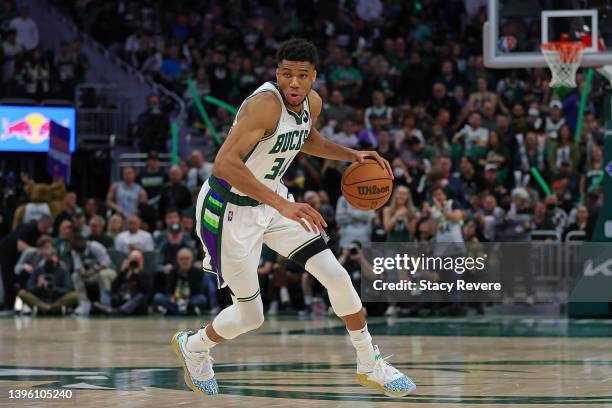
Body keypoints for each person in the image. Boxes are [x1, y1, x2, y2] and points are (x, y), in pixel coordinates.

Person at [171, 39, 415, 398]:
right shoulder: (264, 106)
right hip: (229, 208)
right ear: (277, 73)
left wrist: (352, 156)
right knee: (251, 317)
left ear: (314, 76)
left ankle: (369, 363)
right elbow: (223, 165)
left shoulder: (311, 103)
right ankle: (194, 346)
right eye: (287, 75)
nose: (295, 83)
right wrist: (284, 206)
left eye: (302, 76)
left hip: (272, 199)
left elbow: (305, 138)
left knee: (338, 276)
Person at [0, 215, 52, 310]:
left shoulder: (41, 233)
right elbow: (20, 245)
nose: (46, 230)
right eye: (44, 227)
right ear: (40, 223)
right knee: (8, 278)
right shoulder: (28, 228)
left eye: (47, 228)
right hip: (6, 252)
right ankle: (6, 306)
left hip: (18, 255)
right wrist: (37, 251)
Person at [17, 246, 78, 314]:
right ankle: (48, 309)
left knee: (75, 295)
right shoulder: (38, 270)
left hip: (57, 300)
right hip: (41, 300)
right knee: (22, 293)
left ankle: (47, 309)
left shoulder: (63, 270)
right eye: (47, 257)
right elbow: (29, 288)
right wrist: (38, 286)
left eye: (51, 256)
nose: (49, 259)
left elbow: (68, 289)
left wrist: (54, 288)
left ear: (56, 257)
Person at [153, 248, 207, 315]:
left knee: (202, 299)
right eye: (181, 259)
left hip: (190, 300)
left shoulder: (197, 272)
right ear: (177, 260)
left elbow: (199, 291)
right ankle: (188, 312)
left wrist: (187, 300)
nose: (184, 261)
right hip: (175, 300)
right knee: (158, 297)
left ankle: (173, 311)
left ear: (192, 259)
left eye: (187, 259)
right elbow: (168, 290)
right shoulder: (172, 272)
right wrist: (174, 299)